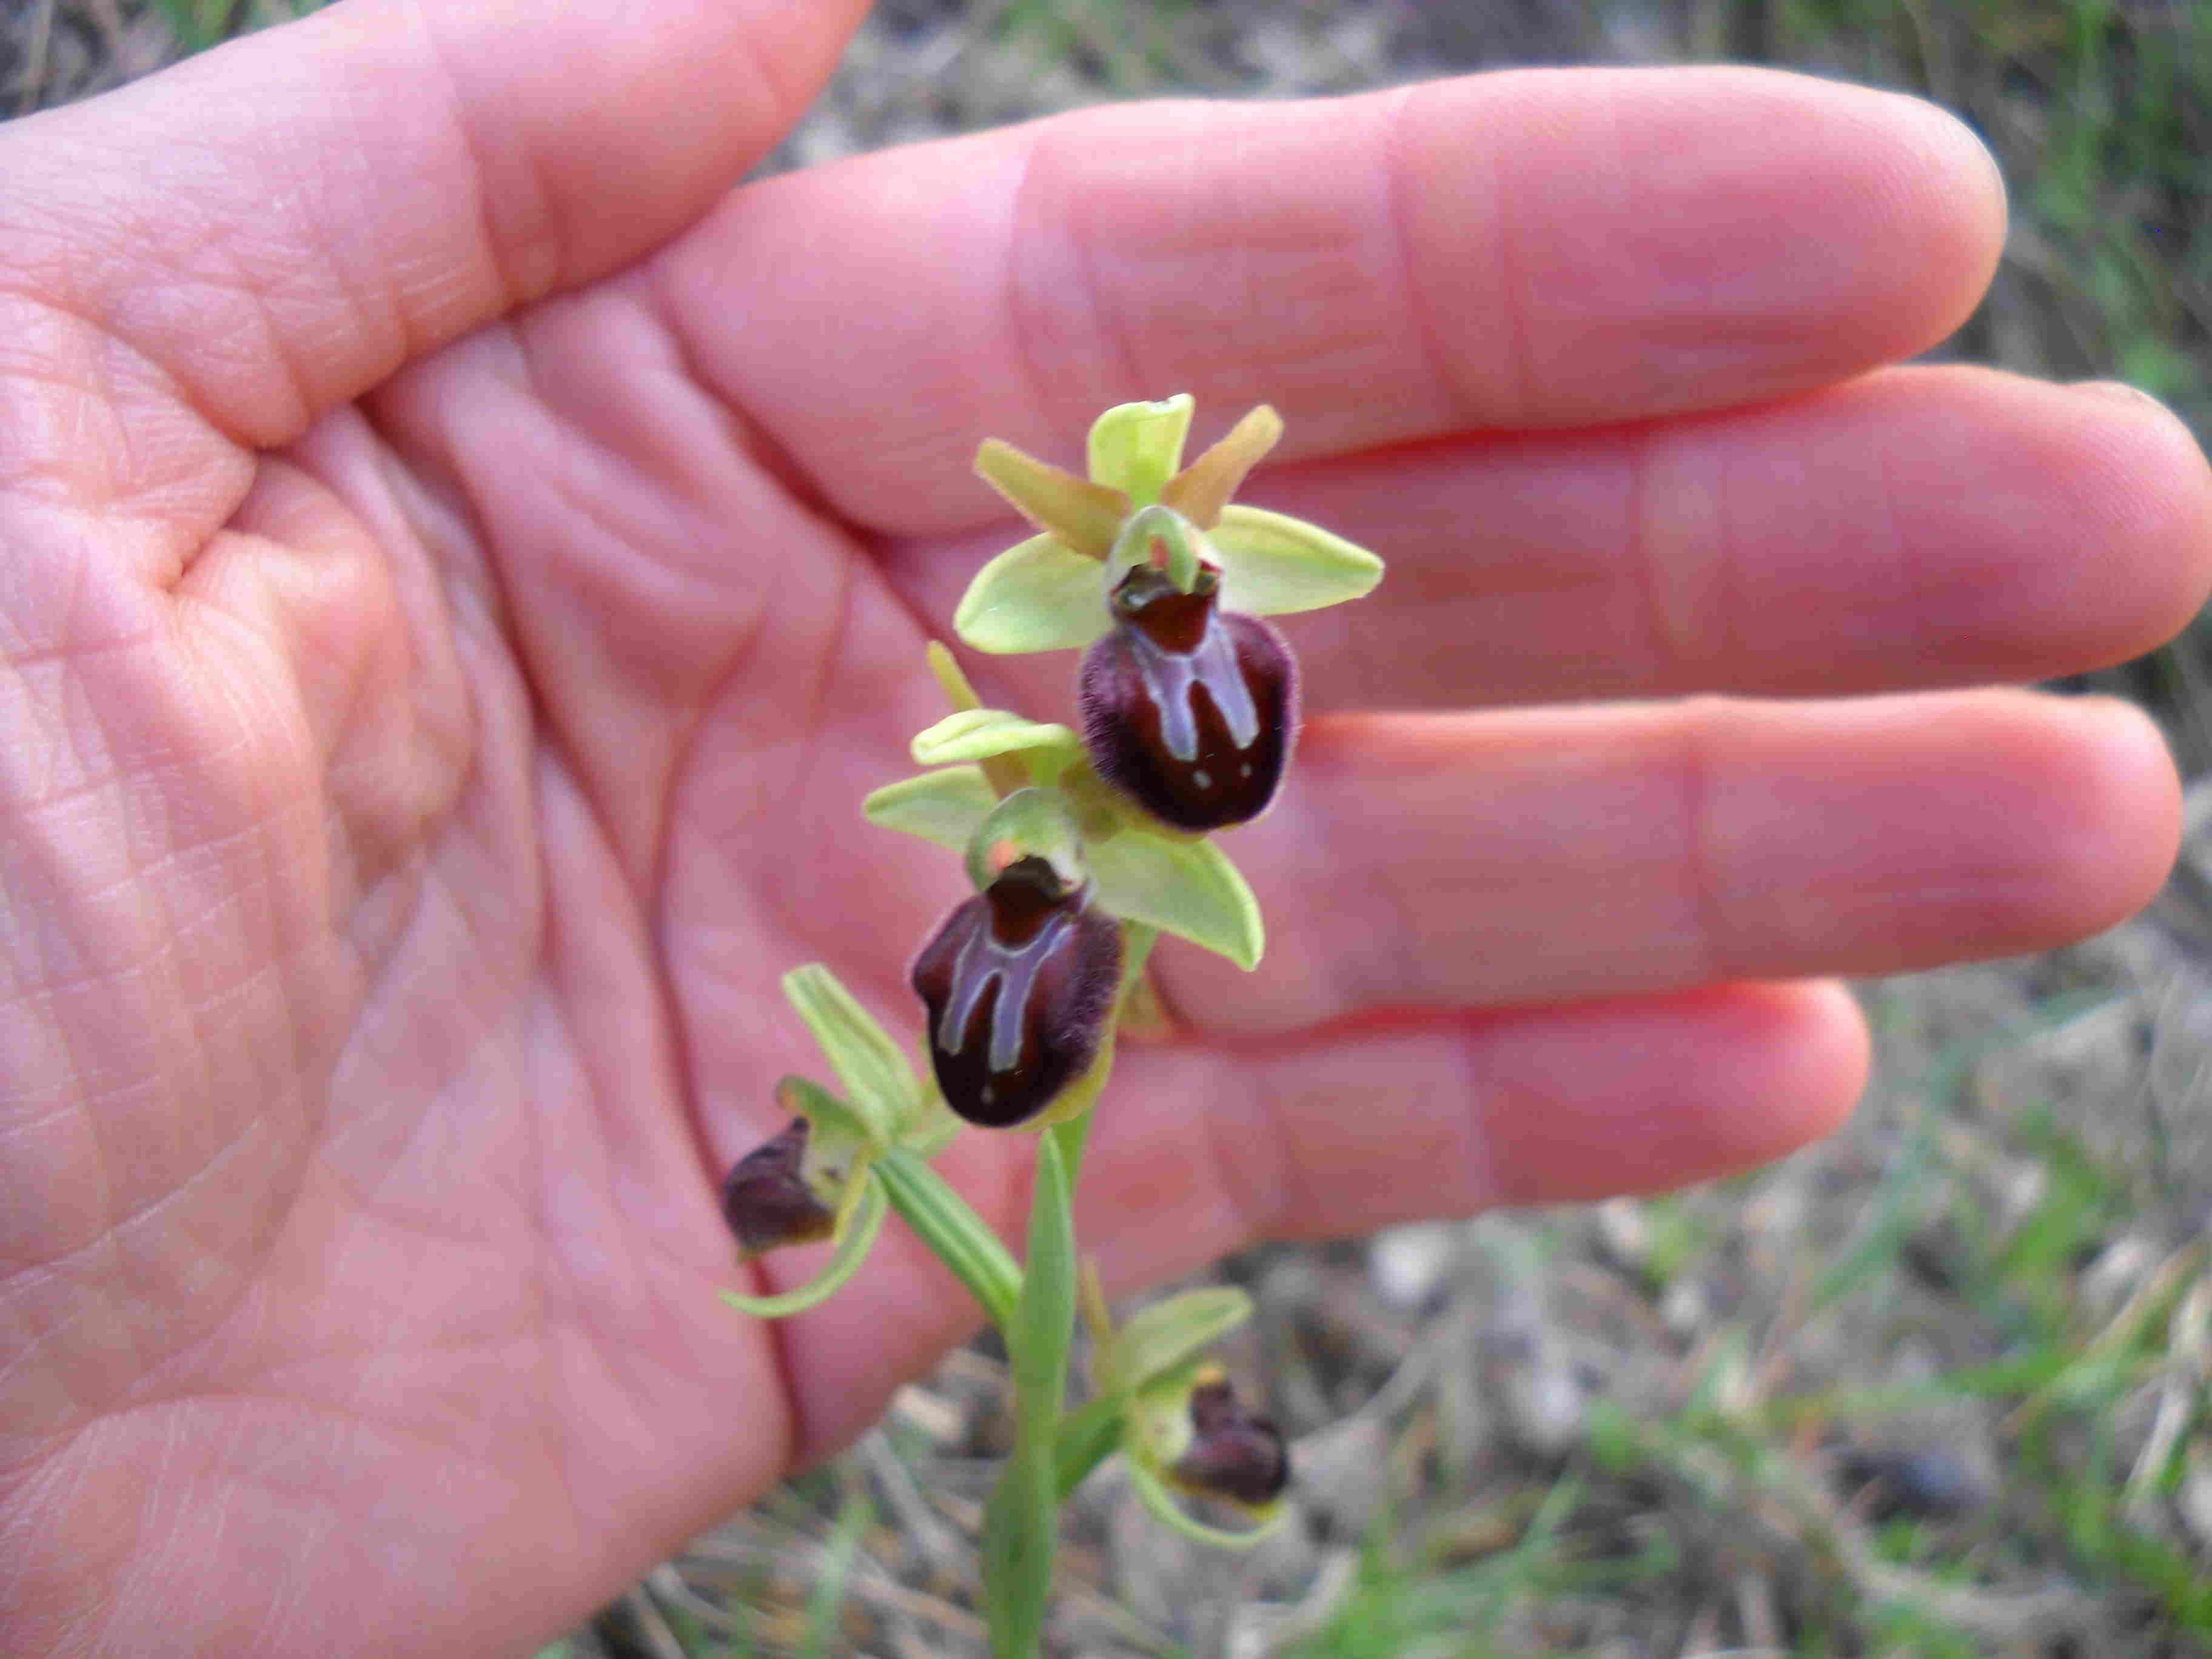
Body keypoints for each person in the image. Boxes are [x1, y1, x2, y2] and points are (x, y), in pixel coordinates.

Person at [2, 3, 2205, 1654]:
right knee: (1003, 1047)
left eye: (1180, 583)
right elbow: (1041, 796)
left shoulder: (1177, 663)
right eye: (1143, 589)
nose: (1166, 600)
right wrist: (1042, 855)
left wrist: (1141, 729)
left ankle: (1079, 1407)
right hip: (1060, 851)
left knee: (1064, 1054)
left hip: (1089, 844)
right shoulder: (1050, 781)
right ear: (1090, 602)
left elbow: (1235, 696)